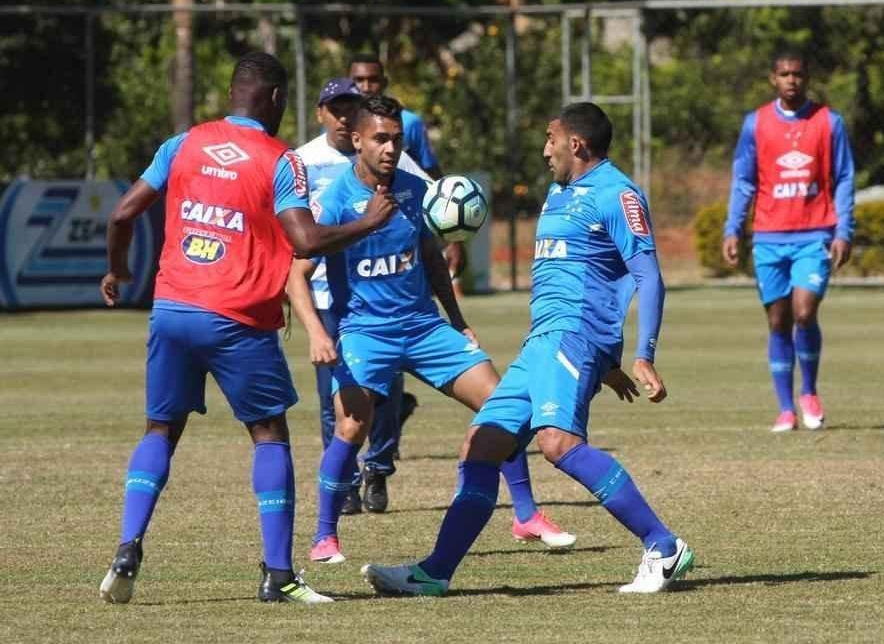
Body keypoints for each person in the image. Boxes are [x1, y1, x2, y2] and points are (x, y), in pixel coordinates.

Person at [98, 52, 398, 605]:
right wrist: (367, 223)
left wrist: (117, 270)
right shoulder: (281, 160)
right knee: (270, 436)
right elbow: (304, 241)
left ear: (233, 93)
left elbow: (121, 214)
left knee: (160, 430)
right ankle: (278, 574)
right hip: (237, 318)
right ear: (277, 98)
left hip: (173, 310)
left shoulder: (183, 143)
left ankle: (126, 547)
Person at [360, 102, 694, 597]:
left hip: (573, 336)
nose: (544, 150)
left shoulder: (617, 193)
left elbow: (648, 276)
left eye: (550, 139)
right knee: (482, 445)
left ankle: (663, 546)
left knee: (557, 443)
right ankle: (434, 572)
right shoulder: (558, 193)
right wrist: (603, 365)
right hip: (542, 342)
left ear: (575, 144)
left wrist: (641, 353)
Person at [287, 95, 576, 566]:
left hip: (424, 328)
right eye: (380, 139)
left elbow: (431, 259)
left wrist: (458, 321)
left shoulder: (416, 190)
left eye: (397, 140)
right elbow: (295, 276)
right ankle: (324, 536)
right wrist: (318, 334)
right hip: (365, 333)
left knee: (504, 404)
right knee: (352, 425)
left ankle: (525, 515)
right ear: (357, 140)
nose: (390, 149)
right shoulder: (335, 199)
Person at [295, 77, 424, 516]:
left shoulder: (394, 161)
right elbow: (293, 224)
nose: (342, 115)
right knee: (335, 400)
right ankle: (345, 484)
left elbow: (431, 197)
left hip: (382, 296)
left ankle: (379, 466)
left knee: (386, 394)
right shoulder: (303, 161)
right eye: (335, 108)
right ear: (321, 113)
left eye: (350, 107)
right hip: (325, 294)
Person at [722, 50, 856, 432]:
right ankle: (785, 408)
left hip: (815, 234)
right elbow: (744, 180)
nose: (791, 80)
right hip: (768, 236)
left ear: (807, 78)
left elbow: (844, 177)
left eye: (797, 74)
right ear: (773, 79)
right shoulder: (756, 124)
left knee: (804, 312)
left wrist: (844, 230)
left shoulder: (829, 122)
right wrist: (733, 228)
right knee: (778, 320)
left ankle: (809, 391)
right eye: (784, 74)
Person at [347, 53, 467, 289]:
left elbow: (432, 178)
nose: (366, 86)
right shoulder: (339, 125)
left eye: (373, 79)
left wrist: (454, 237)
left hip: (403, 230)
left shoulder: (409, 123)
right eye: (358, 80)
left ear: (384, 82)